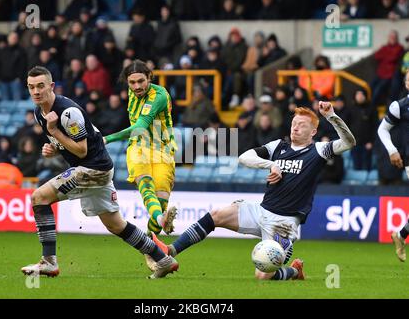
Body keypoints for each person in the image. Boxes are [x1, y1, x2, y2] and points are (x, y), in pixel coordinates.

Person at [150, 103, 356, 280]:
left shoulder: (318, 150)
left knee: (263, 276)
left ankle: (293, 272)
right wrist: (271, 165)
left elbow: (349, 142)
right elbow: (244, 157)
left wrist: (331, 116)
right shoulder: (278, 147)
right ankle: (170, 251)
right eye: (294, 123)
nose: (296, 128)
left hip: (283, 224)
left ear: (313, 132)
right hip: (260, 211)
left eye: (302, 125)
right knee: (216, 215)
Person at [21, 66, 178, 279]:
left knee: (39, 197)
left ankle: (49, 261)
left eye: (40, 86)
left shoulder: (67, 113)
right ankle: (163, 259)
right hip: (97, 167)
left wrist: (54, 132)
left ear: (52, 86)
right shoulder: (39, 112)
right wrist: (54, 149)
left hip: (92, 169)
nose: (36, 91)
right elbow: (68, 146)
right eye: (31, 87)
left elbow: (81, 149)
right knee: (116, 225)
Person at [103, 60, 178, 237]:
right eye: (132, 82)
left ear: (149, 77)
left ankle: (150, 245)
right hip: (139, 148)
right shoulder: (132, 91)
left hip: (163, 151)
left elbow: (140, 126)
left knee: (160, 205)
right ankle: (161, 220)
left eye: (141, 81)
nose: (137, 86)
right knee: (146, 185)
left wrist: (106, 139)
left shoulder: (158, 96)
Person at [378, 69, 409, 262]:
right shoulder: (401, 106)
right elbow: (382, 130)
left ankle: (401, 234)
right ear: (406, 84)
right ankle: (401, 234)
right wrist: (392, 150)